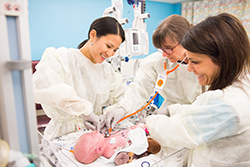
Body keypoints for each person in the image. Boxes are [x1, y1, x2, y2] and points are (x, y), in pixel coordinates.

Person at [146, 13, 250, 167]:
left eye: (195, 61)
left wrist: (148, 122)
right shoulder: (243, 83)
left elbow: (177, 132)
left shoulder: (225, 103)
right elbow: (203, 113)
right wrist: (172, 110)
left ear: (222, 58)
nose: (188, 68)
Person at [101, 14, 203, 131]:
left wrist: (171, 111)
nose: (164, 54)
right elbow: (139, 89)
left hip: (196, 118)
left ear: (185, 40)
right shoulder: (157, 62)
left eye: (168, 48)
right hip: (168, 118)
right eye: (161, 49)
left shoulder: (204, 64)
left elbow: (207, 104)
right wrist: (122, 108)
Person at [32, 16, 128, 140]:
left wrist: (118, 109)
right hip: (62, 136)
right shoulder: (61, 58)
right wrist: (84, 109)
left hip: (94, 135)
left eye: (115, 50)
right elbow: (42, 86)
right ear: (93, 35)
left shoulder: (107, 71)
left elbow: (123, 95)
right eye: (108, 46)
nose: (110, 54)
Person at [73, 123, 161, 165]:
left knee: (139, 126)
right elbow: (122, 152)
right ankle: (147, 140)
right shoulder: (108, 152)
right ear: (99, 149)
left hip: (128, 132)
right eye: (93, 135)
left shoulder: (103, 138)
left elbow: (113, 132)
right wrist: (124, 145)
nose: (95, 131)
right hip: (132, 140)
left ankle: (143, 132)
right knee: (148, 144)